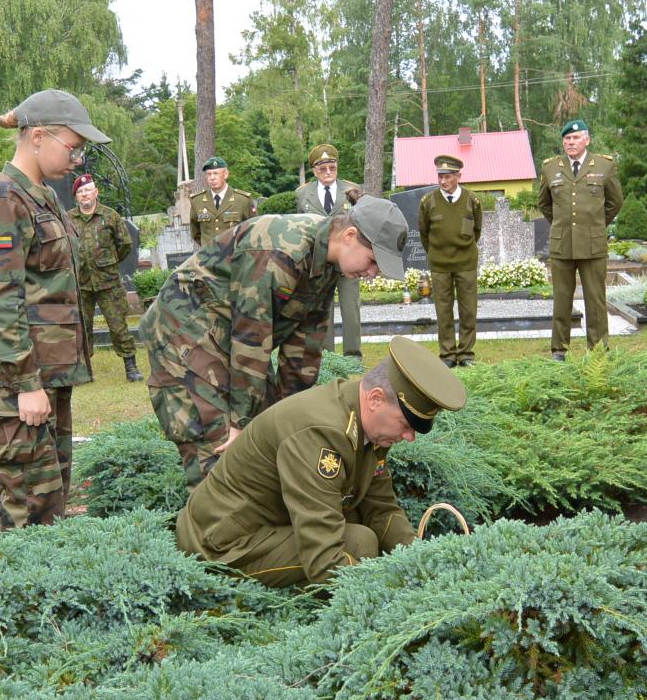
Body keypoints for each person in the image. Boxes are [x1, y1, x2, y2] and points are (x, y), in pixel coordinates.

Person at [140, 192, 408, 488]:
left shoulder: (329, 265)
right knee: (218, 449)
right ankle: (209, 528)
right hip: (184, 332)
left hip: (228, 336)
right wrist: (239, 424)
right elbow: (250, 337)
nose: (371, 274)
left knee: (269, 433)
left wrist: (292, 419)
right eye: (372, 261)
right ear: (349, 235)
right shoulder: (280, 249)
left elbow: (304, 350)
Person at [176, 335, 466, 586]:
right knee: (360, 543)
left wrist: (419, 560)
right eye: (405, 424)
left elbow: (381, 508)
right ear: (376, 398)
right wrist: (393, 589)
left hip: (263, 521)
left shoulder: (367, 424)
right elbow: (324, 560)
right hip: (221, 542)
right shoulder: (320, 434)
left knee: (362, 528)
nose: (409, 437)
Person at [0, 89, 109, 528]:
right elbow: (1, 298)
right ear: (38, 136)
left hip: (48, 376)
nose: (77, 160)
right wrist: (26, 383)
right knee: (29, 507)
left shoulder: (40, 194)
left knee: (51, 502)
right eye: (73, 147)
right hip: (19, 383)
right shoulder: (5, 199)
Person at [535, 119, 623, 360]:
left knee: (595, 299)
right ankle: (559, 350)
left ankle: (598, 350)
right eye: (566, 139)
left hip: (593, 243)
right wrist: (562, 224)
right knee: (561, 300)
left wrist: (595, 224)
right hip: (562, 243)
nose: (570, 142)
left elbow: (615, 202)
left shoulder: (604, 166)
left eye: (575, 138)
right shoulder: (551, 168)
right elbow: (544, 203)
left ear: (587, 140)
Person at [67, 173, 140, 382]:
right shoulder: (69, 218)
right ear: (76, 197)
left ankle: (131, 366)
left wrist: (108, 262)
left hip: (108, 282)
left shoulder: (110, 216)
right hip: (81, 283)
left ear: (96, 192)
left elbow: (124, 244)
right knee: (82, 327)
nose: (85, 194)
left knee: (118, 325)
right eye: (80, 192)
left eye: (88, 190)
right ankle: (84, 371)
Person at [295, 143, 363, 358]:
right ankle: (328, 357)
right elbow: (301, 227)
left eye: (331, 168)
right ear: (314, 170)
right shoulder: (302, 194)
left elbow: (362, 223)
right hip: (319, 261)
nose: (327, 173)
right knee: (323, 310)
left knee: (351, 309)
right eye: (322, 168)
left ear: (337, 167)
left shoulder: (351, 190)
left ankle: (353, 356)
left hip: (347, 261)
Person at [418, 154, 483, 367]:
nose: (443, 181)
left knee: (468, 310)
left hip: (466, 264)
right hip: (440, 266)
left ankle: (465, 354)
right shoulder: (428, 202)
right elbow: (424, 233)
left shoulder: (472, 200)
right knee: (443, 311)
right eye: (440, 176)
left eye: (448, 176)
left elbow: (477, 230)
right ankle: (447, 355)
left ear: (458, 176)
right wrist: (437, 253)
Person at [188, 156, 258, 247]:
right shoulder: (197, 201)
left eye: (216, 173)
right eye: (208, 174)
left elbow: (254, 229)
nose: (212, 178)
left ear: (225, 174)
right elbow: (196, 233)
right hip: (209, 257)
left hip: (234, 257)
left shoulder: (242, 200)